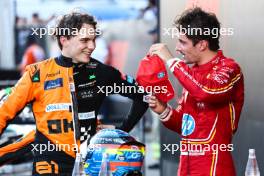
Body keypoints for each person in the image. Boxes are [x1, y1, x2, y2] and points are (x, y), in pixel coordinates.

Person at [0, 12, 148, 175]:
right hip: (49, 165)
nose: (92, 46)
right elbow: (4, 112)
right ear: (64, 40)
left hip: (91, 164)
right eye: (84, 40)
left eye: (93, 40)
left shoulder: (102, 72)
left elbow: (143, 96)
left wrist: (120, 132)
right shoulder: (37, 73)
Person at [148, 8, 244, 175]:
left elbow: (207, 91)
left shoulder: (229, 68)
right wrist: (163, 110)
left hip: (215, 167)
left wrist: (172, 61)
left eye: (182, 42)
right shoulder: (192, 75)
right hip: (187, 167)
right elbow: (187, 126)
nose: (177, 48)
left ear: (202, 44)